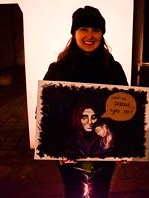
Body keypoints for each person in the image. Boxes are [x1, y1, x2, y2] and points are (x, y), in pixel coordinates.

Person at [43, 5, 128, 198]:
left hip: (103, 149)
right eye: (83, 29)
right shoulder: (58, 69)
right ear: (74, 33)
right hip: (69, 148)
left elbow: (124, 110)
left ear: (102, 34)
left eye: (96, 30)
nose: (90, 35)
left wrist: (124, 144)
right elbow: (46, 110)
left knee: (100, 191)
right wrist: (55, 146)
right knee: (73, 190)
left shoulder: (114, 69)